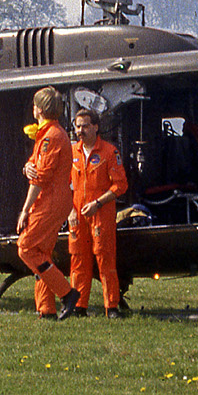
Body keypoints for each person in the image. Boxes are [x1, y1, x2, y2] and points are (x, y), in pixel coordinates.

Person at [17, 86, 84, 320]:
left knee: (26, 247)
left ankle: (66, 294)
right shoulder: (47, 135)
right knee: (41, 252)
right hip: (55, 199)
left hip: (51, 201)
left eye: (36, 105)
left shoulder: (51, 136)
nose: (33, 109)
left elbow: (40, 177)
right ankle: (46, 309)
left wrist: (25, 210)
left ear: (41, 109)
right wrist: (27, 167)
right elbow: (35, 165)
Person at [68, 107, 129, 318]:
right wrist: (69, 211)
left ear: (95, 127)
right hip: (77, 215)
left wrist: (98, 203)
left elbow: (120, 185)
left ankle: (111, 306)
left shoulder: (109, 152)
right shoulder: (70, 153)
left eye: (85, 126)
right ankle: (78, 306)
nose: (80, 131)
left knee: (105, 259)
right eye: (77, 127)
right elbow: (61, 185)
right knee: (78, 261)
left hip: (101, 214)